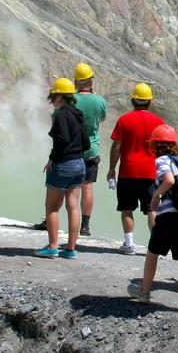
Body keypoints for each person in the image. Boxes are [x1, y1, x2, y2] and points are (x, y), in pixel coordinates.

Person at [126, 124, 178, 314]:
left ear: (155, 145)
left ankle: (144, 292)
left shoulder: (162, 160)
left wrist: (156, 195)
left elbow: (168, 180)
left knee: (152, 254)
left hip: (169, 218)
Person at [105, 83, 164, 254]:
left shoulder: (124, 120)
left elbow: (117, 146)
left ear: (133, 100)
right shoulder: (158, 122)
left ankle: (129, 243)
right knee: (152, 209)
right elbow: (163, 148)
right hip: (150, 173)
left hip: (128, 171)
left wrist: (112, 168)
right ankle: (155, 245)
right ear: (150, 101)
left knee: (127, 208)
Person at [35, 78, 88, 259]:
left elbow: (61, 141)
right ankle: (71, 249)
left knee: (51, 207)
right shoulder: (79, 114)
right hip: (79, 163)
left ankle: (52, 247)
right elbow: (86, 143)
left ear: (57, 96)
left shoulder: (60, 115)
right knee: (73, 207)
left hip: (63, 164)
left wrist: (52, 159)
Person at [71, 63, 106, 237]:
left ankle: (70, 222)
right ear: (91, 80)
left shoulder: (71, 100)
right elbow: (102, 119)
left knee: (71, 188)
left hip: (72, 149)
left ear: (76, 81)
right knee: (87, 188)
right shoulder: (99, 101)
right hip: (91, 149)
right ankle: (85, 225)